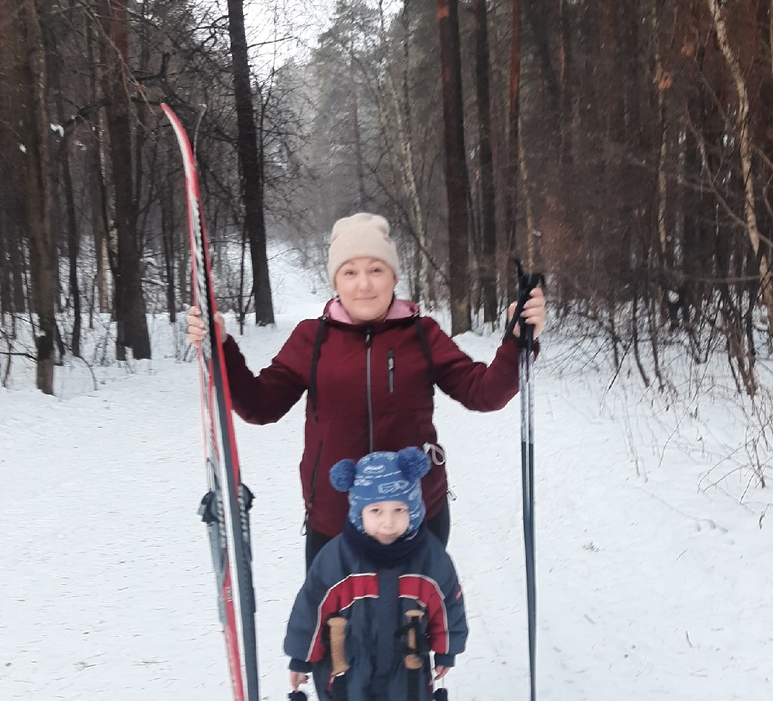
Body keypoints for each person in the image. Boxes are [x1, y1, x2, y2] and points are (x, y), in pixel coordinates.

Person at [187, 212, 547, 567]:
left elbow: (483, 393)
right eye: (350, 272)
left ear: (393, 276)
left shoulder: (422, 334)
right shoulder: (311, 339)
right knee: (335, 610)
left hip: (415, 515)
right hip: (334, 521)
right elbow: (260, 406)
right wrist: (221, 349)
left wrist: (519, 341)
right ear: (335, 280)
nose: (363, 285)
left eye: (376, 269)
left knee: (420, 609)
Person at [283, 446, 468, 701]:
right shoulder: (337, 559)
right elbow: (311, 606)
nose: (388, 522)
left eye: (399, 510)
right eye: (376, 511)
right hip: (348, 670)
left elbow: (448, 603)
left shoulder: (428, 557)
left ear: (414, 508)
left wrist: (446, 650)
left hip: (407, 668)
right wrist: (301, 657)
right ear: (358, 511)